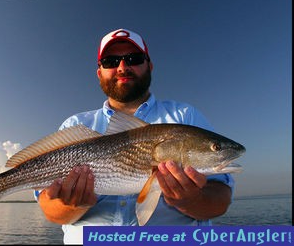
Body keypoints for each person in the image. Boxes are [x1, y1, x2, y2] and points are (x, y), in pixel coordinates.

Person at [35, 28, 234, 244]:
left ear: (149, 65)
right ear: (99, 72)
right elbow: (50, 211)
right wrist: (70, 205)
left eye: (134, 58)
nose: (122, 67)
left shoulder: (184, 116)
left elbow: (219, 201)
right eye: (111, 61)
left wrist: (191, 199)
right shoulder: (75, 125)